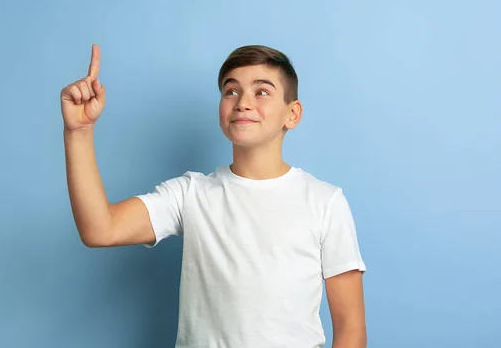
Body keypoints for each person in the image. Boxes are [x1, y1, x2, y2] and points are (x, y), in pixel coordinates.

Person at [61, 44, 367, 348]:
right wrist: (78, 132)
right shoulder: (190, 194)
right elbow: (100, 229)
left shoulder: (325, 202)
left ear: (292, 113)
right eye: (231, 91)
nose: (243, 102)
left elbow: (351, 330)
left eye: (261, 91)